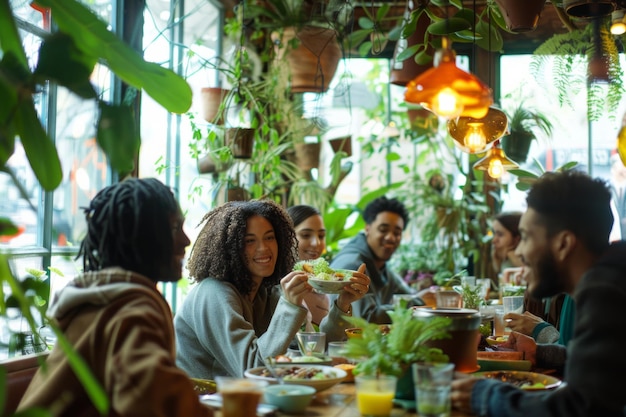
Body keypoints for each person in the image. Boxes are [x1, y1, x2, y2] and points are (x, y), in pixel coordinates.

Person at [18, 178, 213, 417]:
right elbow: (148, 404)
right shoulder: (132, 310)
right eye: (173, 228)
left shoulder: (104, 301)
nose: (186, 240)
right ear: (141, 237)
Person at [451, 170, 626, 417]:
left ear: (564, 244)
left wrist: (485, 395)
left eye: (526, 237)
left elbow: (581, 408)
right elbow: (605, 368)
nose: (519, 251)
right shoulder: (607, 279)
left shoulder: (604, 291)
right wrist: (540, 351)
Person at [174, 200, 370, 380]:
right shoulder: (212, 293)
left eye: (269, 237)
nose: (264, 248)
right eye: (249, 241)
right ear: (230, 248)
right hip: (204, 403)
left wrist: (342, 304)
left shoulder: (268, 291)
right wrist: (290, 306)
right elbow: (253, 370)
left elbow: (314, 351)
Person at [329, 196, 417, 324]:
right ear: (367, 228)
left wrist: (422, 298)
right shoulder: (353, 264)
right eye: (383, 229)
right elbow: (366, 319)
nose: (391, 238)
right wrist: (415, 306)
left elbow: (407, 294)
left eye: (397, 233)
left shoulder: (380, 266)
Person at [287, 205, 330, 330]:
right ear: (286, 237)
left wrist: (343, 305)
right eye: (306, 235)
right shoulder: (279, 288)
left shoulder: (322, 284)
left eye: (321, 236)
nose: (316, 243)